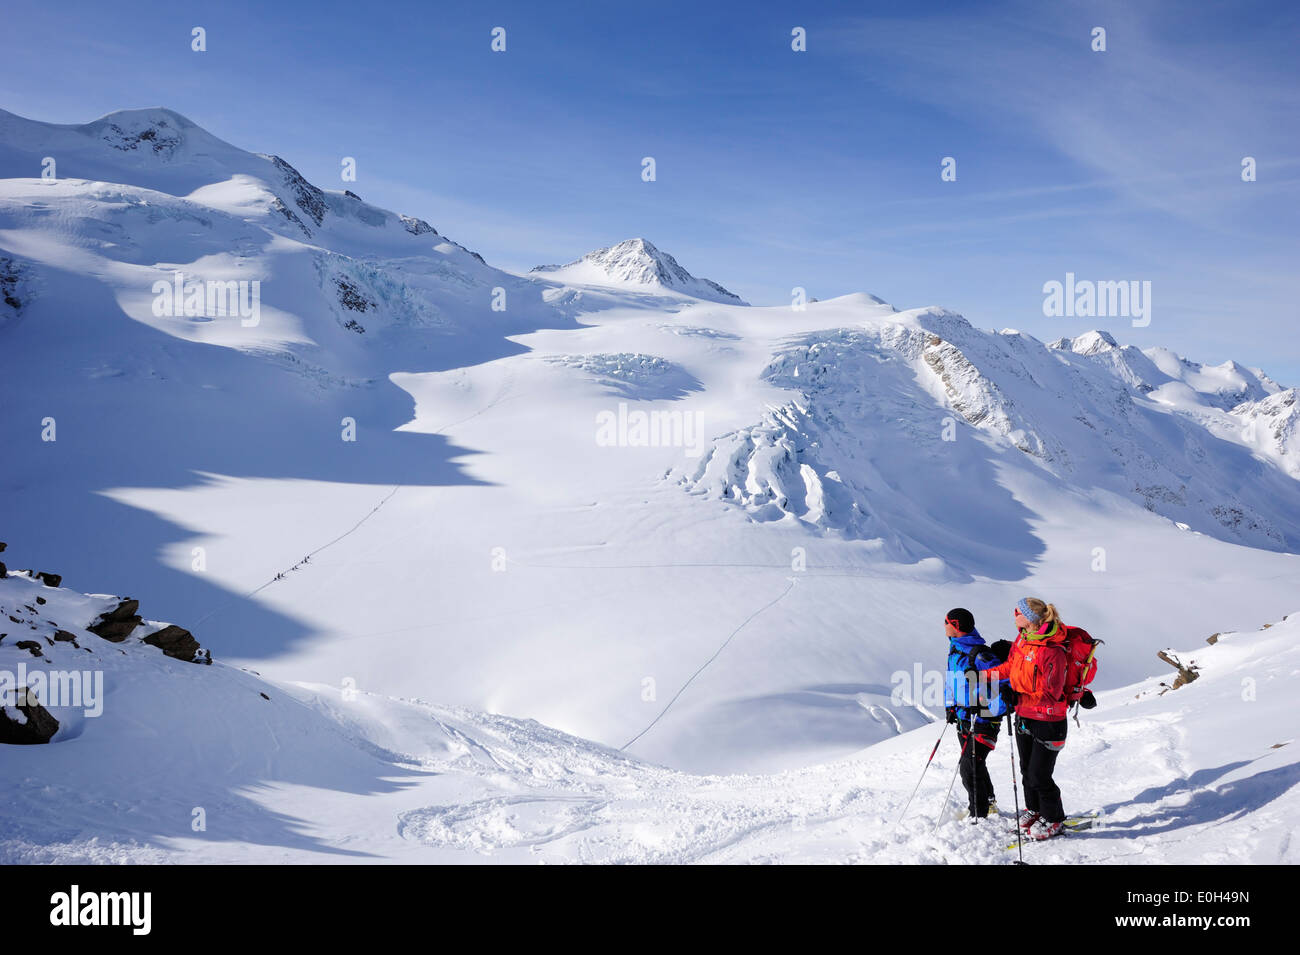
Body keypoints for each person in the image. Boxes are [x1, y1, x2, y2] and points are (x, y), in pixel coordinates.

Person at [982, 597, 1071, 840]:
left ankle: (1054, 819)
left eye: (1017, 612)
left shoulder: (1053, 649)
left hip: (1048, 719)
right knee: (1025, 770)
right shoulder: (1022, 640)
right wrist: (983, 675)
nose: (1014, 616)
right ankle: (1034, 810)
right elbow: (1010, 668)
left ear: (1030, 617)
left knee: (1039, 774)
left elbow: (1051, 691)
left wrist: (1017, 695)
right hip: (1025, 715)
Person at [942, 608, 1008, 820]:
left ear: (956, 627)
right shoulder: (955, 649)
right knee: (975, 764)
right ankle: (988, 804)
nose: (943, 626)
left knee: (969, 768)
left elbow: (1004, 684)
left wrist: (987, 709)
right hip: (963, 717)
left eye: (946, 622)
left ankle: (978, 815)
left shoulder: (981, 655)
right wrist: (950, 705)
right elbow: (952, 680)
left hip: (983, 719)